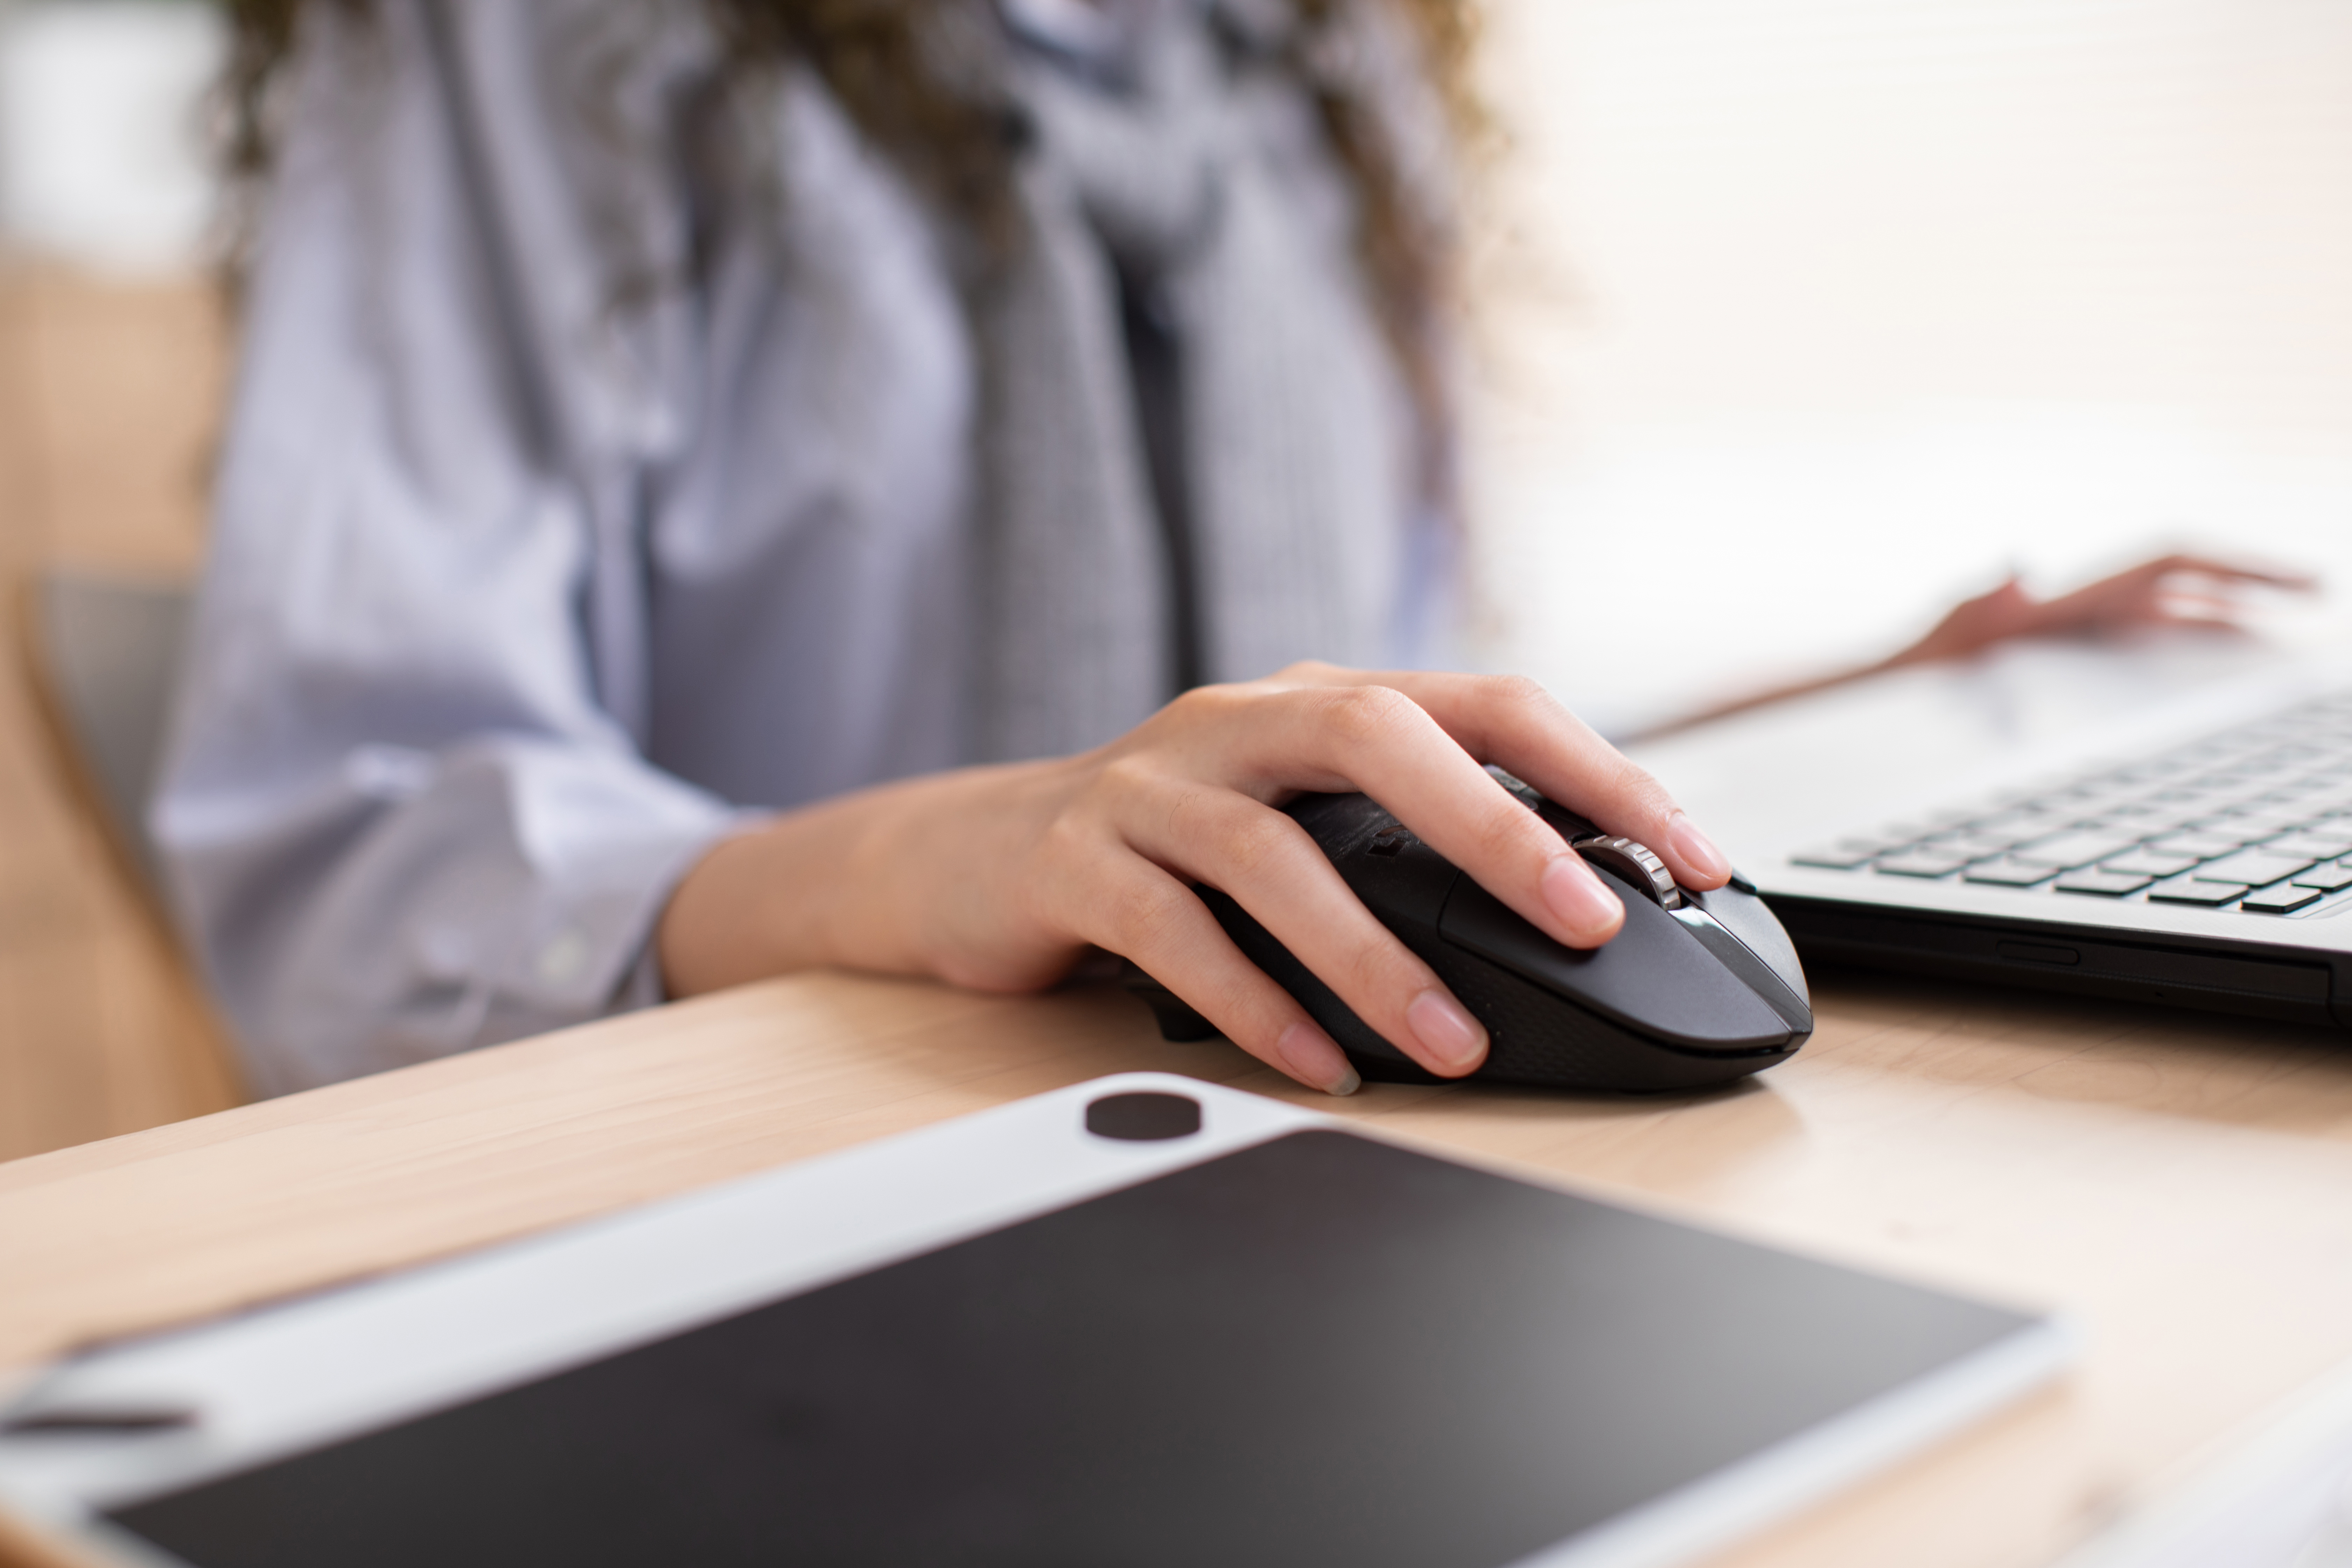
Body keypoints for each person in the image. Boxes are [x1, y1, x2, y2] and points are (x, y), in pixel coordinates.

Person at [157, 0, 2302, 1100]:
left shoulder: (1317, 60)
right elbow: (353, 874)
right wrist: (952, 853)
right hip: (793, 1193)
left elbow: (1346, 763)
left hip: (1292, 1150)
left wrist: (1887, 696)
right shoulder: (531, 55)